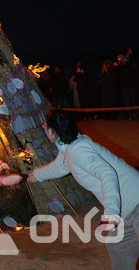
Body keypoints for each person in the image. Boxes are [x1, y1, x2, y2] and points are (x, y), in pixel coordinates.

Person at [27, 109, 139, 269]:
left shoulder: (78, 149)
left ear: (52, 132)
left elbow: (107, 173)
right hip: (127, 210)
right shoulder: (69, 147)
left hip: (135, 202)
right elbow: (60, 167)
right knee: (118, 247)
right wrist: (37, 175)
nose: (44, 129)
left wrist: (111, 213)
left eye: (45, 127)